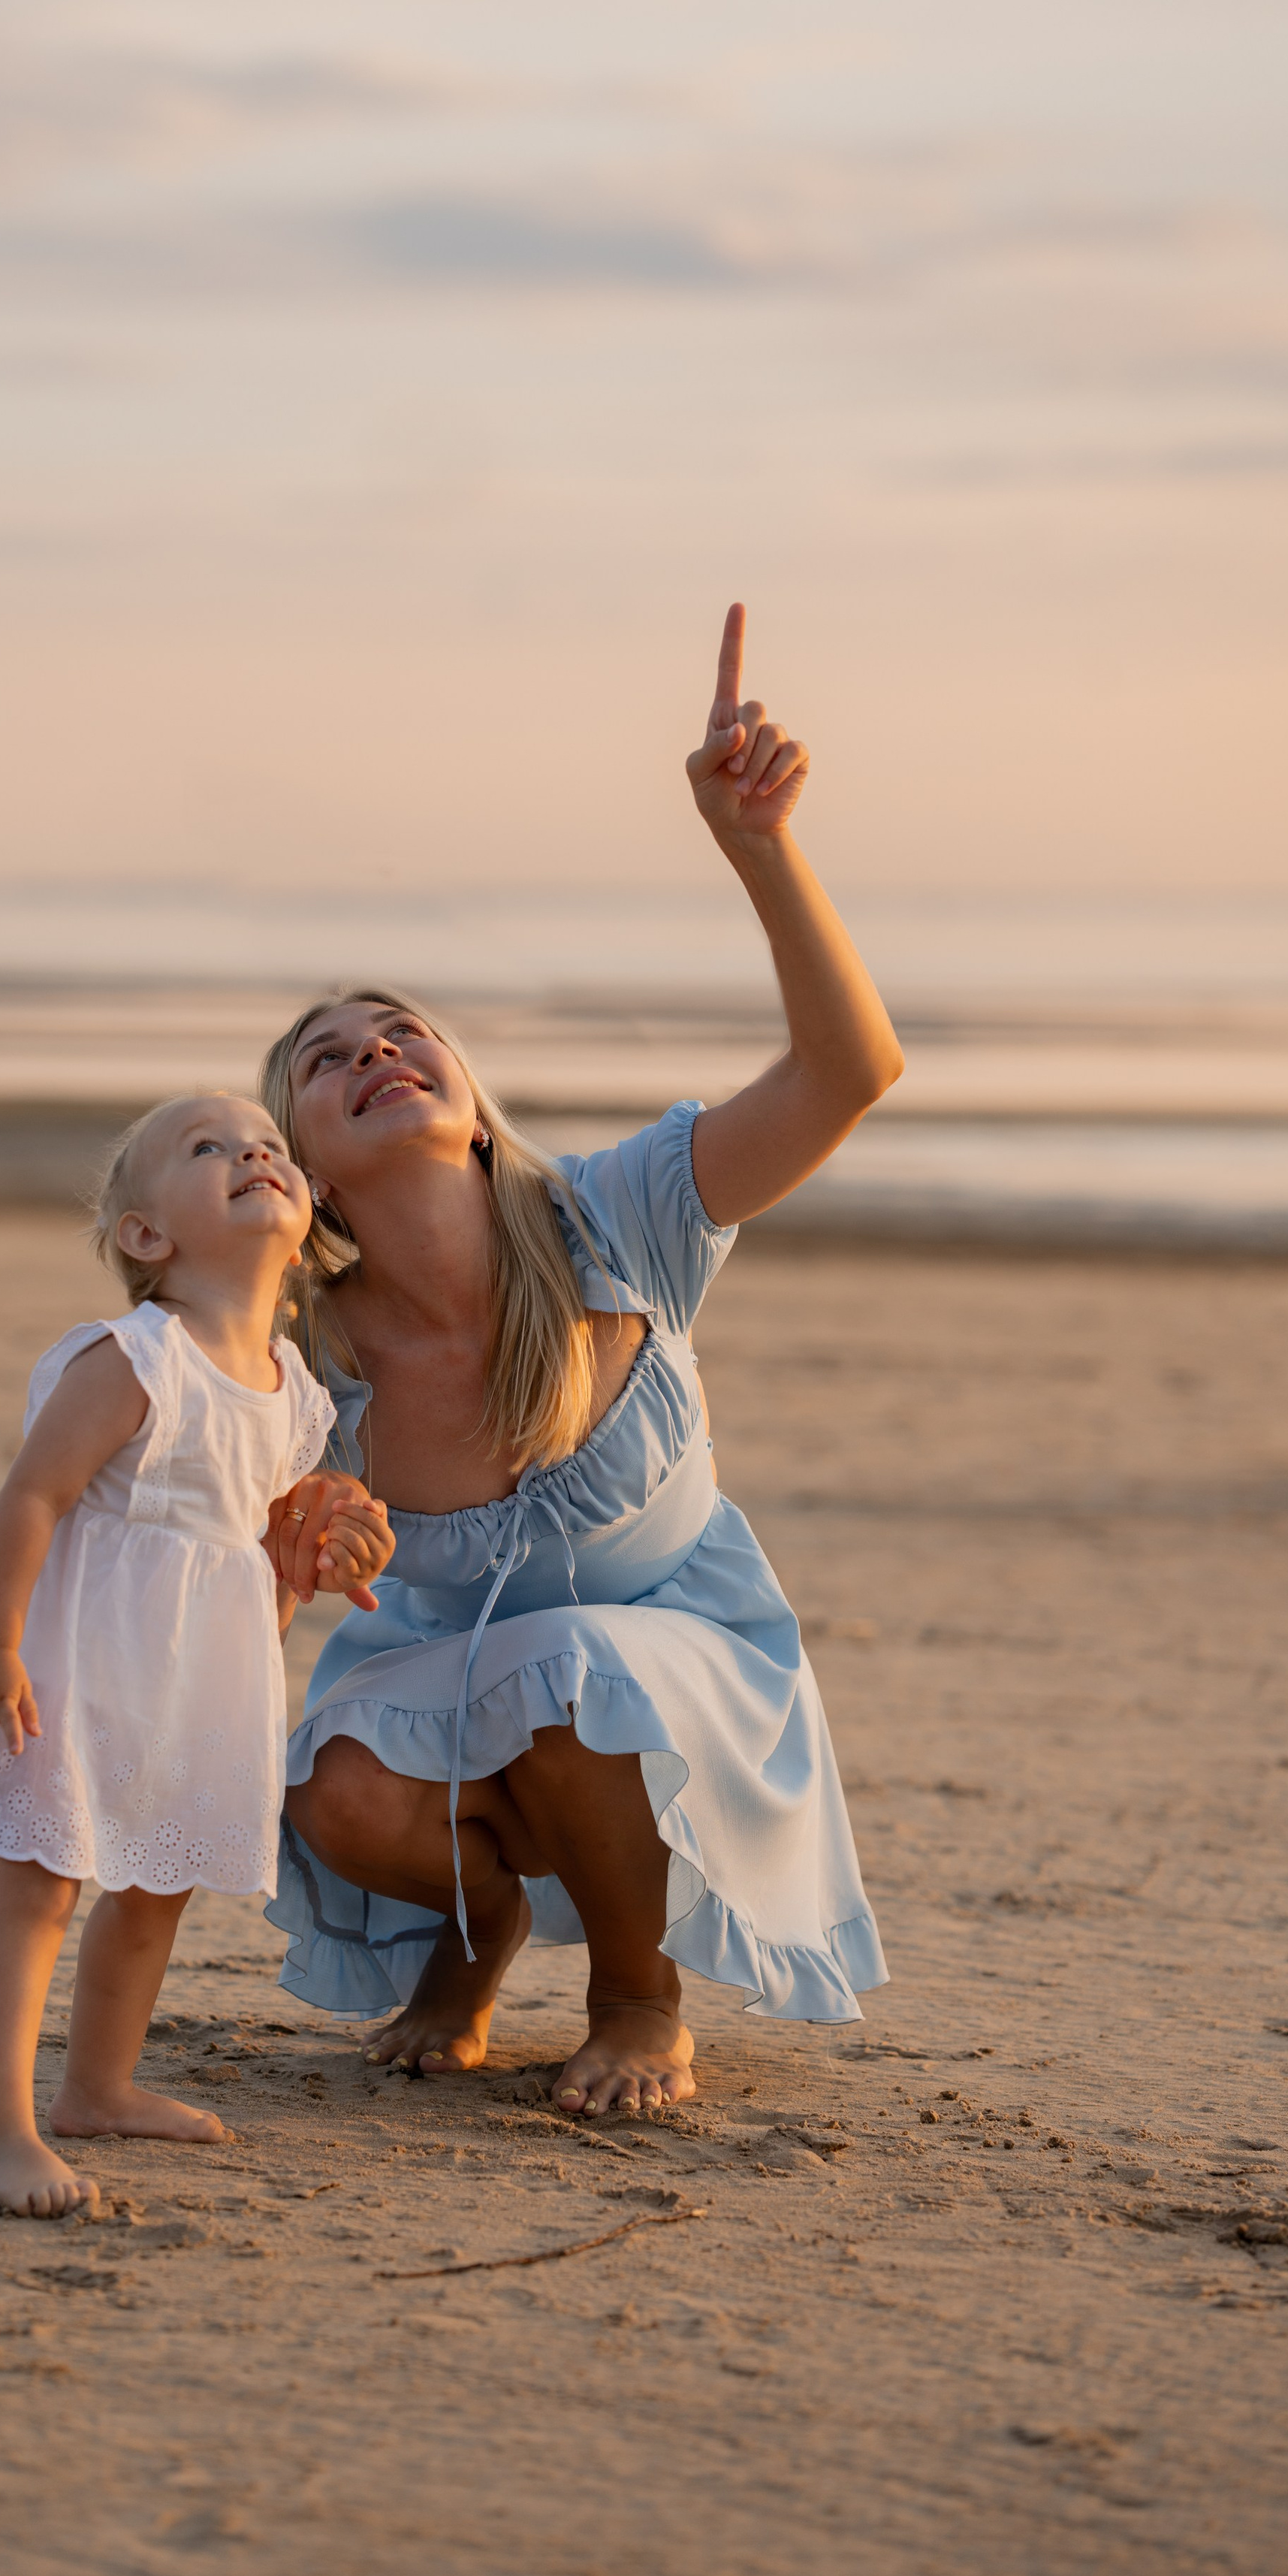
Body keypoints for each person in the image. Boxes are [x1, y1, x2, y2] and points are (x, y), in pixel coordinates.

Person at [258, 605, 904, 2121]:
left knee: (567, 1670)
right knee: (331, 1790)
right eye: (325, 1059)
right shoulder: (310, 1360)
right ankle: (468, 1953)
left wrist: (758, 847)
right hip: (454, 1676)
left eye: (401, 1029)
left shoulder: (613, 1221)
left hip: (683, 1661)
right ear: (302, 1168)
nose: (374, 1050)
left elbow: (847, 1072)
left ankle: (635, 1997)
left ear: (471, 1103)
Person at [0, 1092, 394, 2215]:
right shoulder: (134, 1358)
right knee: (40, 1884)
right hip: (69, 1656)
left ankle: (98, 2086)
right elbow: (32, 1498)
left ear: (306, 1208)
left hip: (191, 1672)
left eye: (269, 1145)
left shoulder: (294, 1396)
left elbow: (245, 1559)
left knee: (159, 1886)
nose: (254, 1151)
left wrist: (307, 1563)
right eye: (210, 1149)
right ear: (146, 1237)